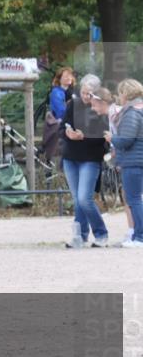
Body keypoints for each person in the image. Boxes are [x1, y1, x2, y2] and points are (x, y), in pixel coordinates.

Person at [60, 74, 108, 248]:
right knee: (77, 199)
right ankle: (80, 235)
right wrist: (67, 133)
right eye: (83, 92)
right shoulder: (73, 104)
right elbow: (61, 127)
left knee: (84, 198)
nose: (85, 96)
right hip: (70, 157)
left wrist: (83, 137)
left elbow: (103, 138)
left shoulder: (101, 108)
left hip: (90, 157)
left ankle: (101, 233)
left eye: (89, 93)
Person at [106, 78, 143, 248]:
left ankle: (140, 237)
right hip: (138, 160)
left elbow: (126, 140)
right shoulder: (140, 108)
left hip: (134, 162)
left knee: (134, 200)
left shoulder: (131, 112)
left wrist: (112, 138)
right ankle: (137, 235)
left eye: (120, 93)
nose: (119, 97)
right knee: (136, 199)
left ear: (126, 94)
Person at [43, 67, 75, 159]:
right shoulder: (56, 92)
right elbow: (61, 111)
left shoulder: (72, 91)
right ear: (59, 79)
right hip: (61, 124)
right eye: (65, 76)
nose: (68, 78)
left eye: (70, 76)